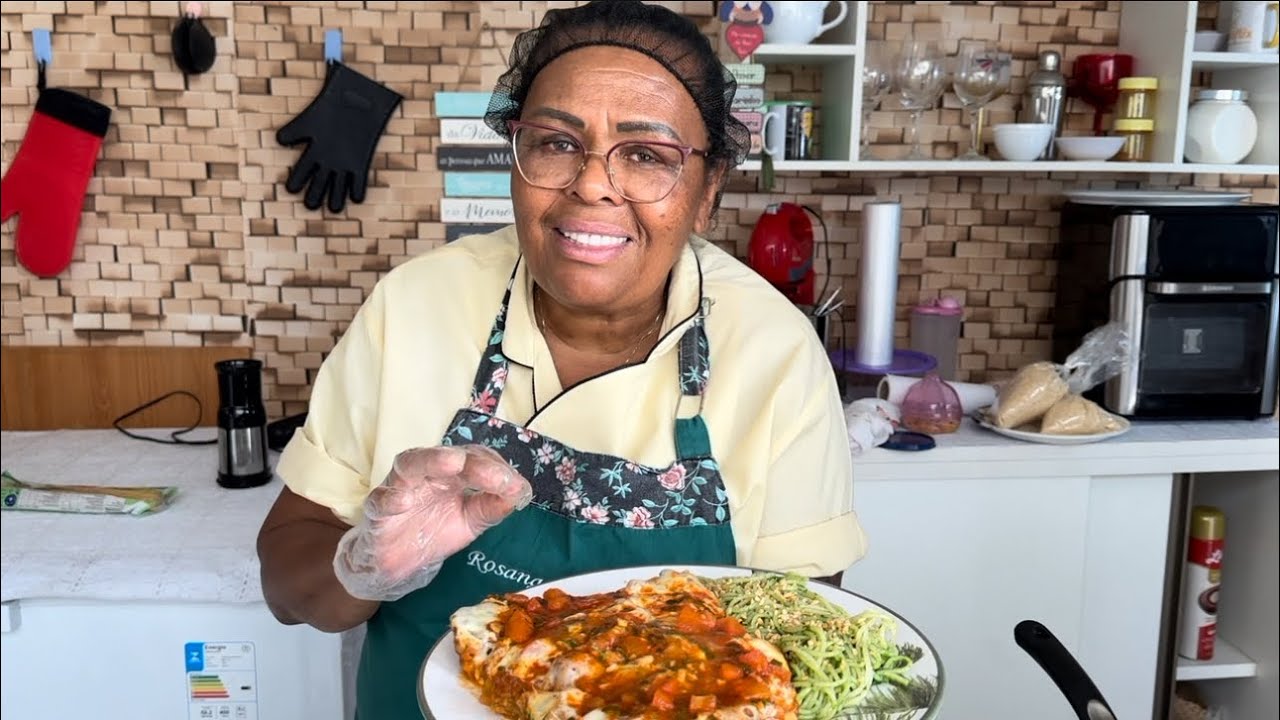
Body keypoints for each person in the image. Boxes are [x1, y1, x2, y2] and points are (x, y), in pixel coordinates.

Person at [256, 1, 868, 717]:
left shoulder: (773, 352)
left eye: (647, 155)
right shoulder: (415, 307)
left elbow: (804, 641)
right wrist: (366, 566)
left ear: (707, 192)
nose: (591, 185)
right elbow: (286, 584)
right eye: (554, 143)